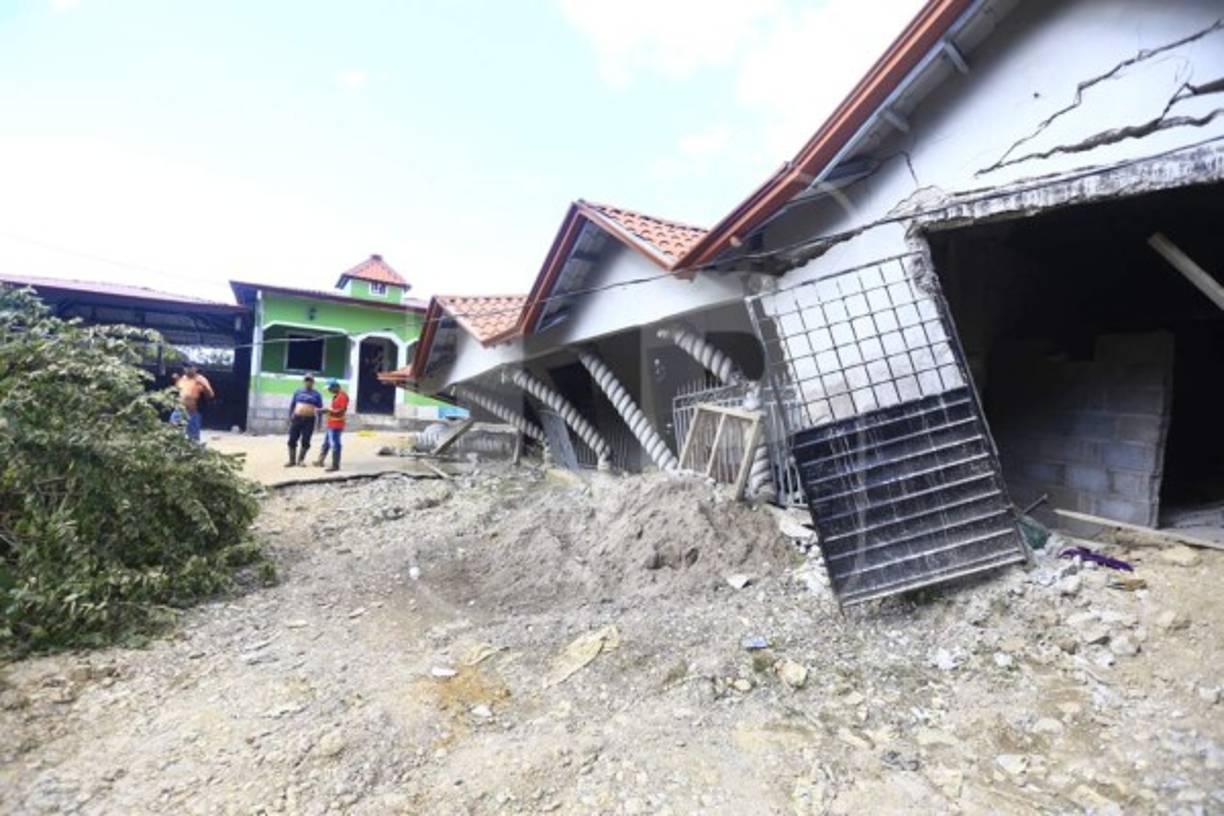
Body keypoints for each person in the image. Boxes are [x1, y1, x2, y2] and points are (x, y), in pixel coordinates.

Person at [285, 374, 323, 467]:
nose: (308, 382)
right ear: (304, 381)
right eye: (306, 380)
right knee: (292, 439)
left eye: (310, 380)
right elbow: (292, 405)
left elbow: (320, 409)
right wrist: (289, 417)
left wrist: (319, 423)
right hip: (297, 419)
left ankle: (301, 460)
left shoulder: (317, 394)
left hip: (309, 420)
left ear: (313, 382)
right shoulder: (298, 392)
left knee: (306, 440)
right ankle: (291, 460)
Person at [171, 363, 214, 443]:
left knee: (193, 438)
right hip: (179, 410)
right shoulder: (182, 379)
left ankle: (193, 453)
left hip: (192, 412)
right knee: (173, 433)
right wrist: (176, 381)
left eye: (190, 367)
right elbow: (179, 392)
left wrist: (203, 386)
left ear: (195, 368)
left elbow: (210, 395)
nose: (187, 369)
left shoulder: (200, 379)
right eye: (185, 367)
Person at [314, 378, 349, 472]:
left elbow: (342, 410)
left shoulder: (342, 396)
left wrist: (328, 410)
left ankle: (335, 465)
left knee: (335, 444)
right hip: (331, 423)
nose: (329, 391)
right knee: (326, 443)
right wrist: (327, 410)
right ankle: (320, 461)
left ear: (335, 386)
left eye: (330, 388)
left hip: (336, 425)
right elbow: (335, 409)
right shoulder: (336, 395)